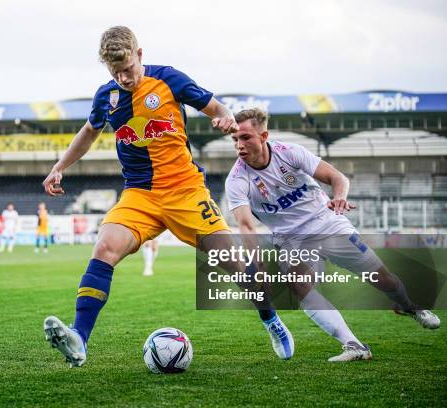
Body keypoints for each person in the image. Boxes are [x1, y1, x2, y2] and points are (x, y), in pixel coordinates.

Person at [42, 26, 294, 368]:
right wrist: (60, 166)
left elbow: (217, 108)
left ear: (140, 55)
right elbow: (89, 131)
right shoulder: (107, 96)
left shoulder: (168, 80)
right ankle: (79, 338)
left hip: (185, 190)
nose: (124, 78)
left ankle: (272, 321)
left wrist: (223, 118)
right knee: (104, 248)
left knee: (235, 263)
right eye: (115, 72)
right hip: (139, 195)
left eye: (128, 69)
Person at [225, 108, 441, 362]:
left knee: (384, 280)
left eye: (245, 137)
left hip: (326, 222)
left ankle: (409, 307)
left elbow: (337, 178)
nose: (239, 145)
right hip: (291, 239)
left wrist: (339, 197)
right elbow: (246, 225)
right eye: (235, 139)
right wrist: (256, 262)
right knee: (300, 286)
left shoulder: (290, 153)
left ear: (264, 136)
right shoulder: (237, 179)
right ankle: (354, 345)